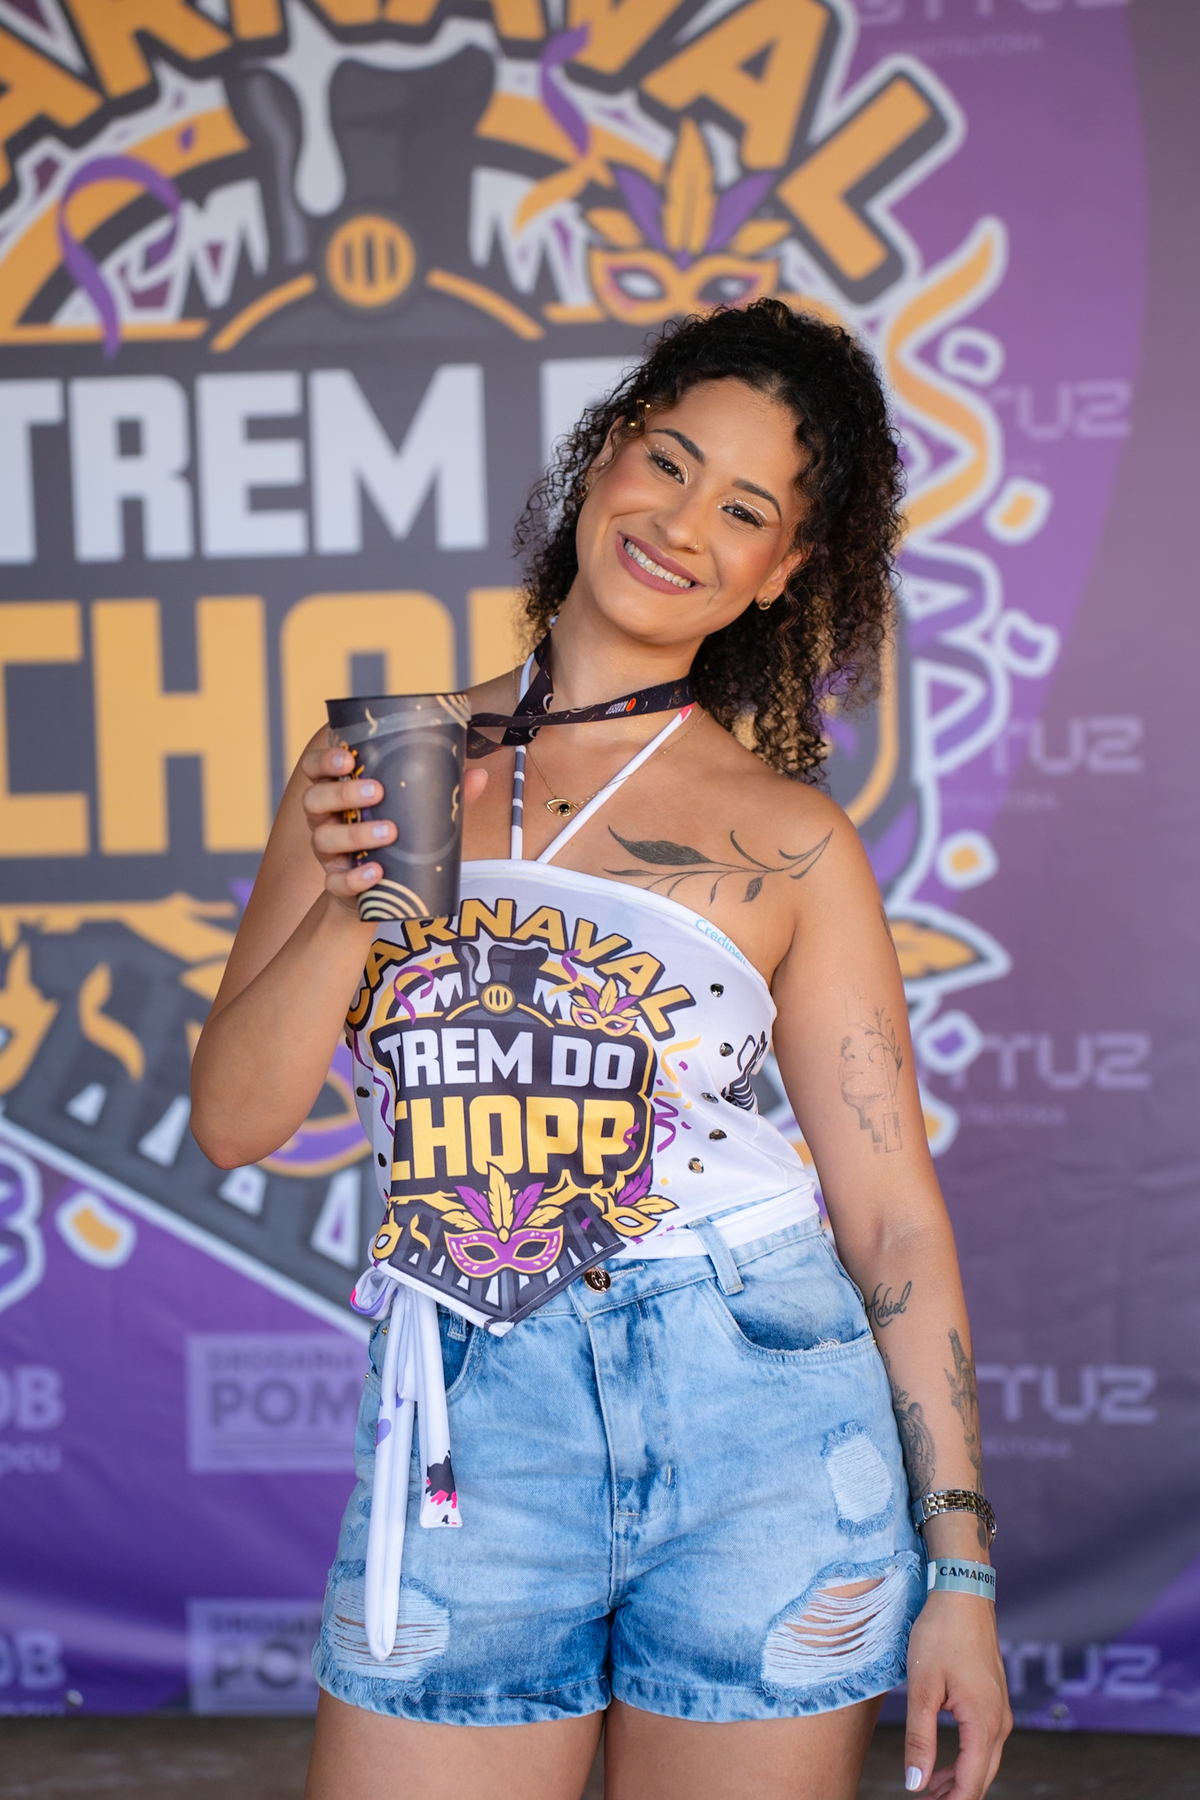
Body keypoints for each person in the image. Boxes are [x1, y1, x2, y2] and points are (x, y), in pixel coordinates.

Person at [191, 299, 1011, 1800]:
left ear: (783, 571)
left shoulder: (792, 839)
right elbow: (236, 1122)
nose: (683, 525)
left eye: (745, 510)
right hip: (472, 1416)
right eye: (669, 462)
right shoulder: (375, 764)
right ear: (605, 455)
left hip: (762, 1415)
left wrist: (959, 1571)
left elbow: (892, 1218)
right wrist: (365, 900)